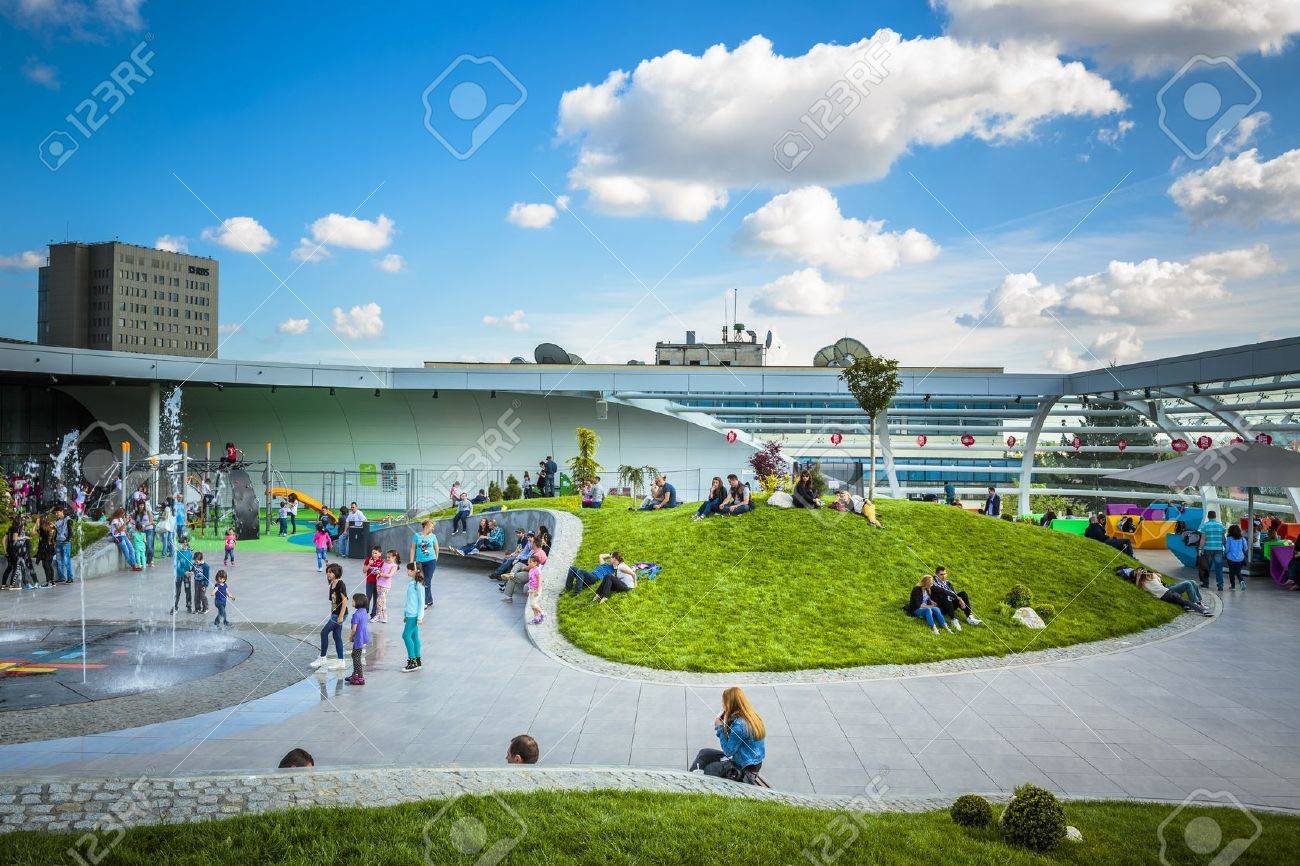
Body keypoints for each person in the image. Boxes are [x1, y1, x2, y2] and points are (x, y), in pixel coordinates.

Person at [690, 687, 766, 783]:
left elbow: (728, 751)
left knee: (711, 768)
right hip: (747, 761)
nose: (722, 704)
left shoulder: (739, 726)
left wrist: (720, 728)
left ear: (729, 703)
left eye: (724, 701)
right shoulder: (752, 716)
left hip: (745, 771)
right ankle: (691, 779)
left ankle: (695, 783)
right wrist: (726, 722)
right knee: (704, 753)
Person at [310, 563, 349, 670]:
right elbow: (333, 602)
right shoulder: (332, 584)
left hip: (340, 614)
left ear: (336, 573)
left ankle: (323, 658)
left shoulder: (340, 584)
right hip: (335, 613)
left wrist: (340, 616)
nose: (328, 574)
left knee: (324, 632)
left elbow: (345, 601)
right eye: (327, 572)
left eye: (331, 572)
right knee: (337, 637)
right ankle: (341, 662)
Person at [1134, 569, 1213, 616]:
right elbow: (1138, 587)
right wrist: (1139, 576)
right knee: (1184, 599)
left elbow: (1159, 576)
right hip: (1167, 593)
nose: (1145, 573)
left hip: (1168, 592)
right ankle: (1201, 609)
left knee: (1184, 599)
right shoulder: (1144, 584)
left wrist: (1150, 573)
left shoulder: (1152, 579)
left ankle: (1198, 605)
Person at [409, 518, 439, 608]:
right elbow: (413, 549)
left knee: (427, 580)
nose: (432, 528)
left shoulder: (433, 536)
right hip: (419, 562)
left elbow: (436, 548)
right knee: (421, 580)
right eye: (431, 527)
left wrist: (435, 559)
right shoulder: (416, 536)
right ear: (426, 526)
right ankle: (429, 600)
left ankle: (425, 602)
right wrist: (411, 561)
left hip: (431, 561)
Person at [402, 561, 426, 672]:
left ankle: (412, 661)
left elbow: (422, 602)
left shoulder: (418, 585)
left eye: (409, 570)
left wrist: (420, 617)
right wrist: (405, 614)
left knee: (406, 636)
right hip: (410, 614)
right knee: (414, 637)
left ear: (415, 571)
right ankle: (417, 660)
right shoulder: (412, 583)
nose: (407, 571)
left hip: (414, 615)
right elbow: (409, 600)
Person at [1198, 509, 1227, 590]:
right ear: (1215, 516)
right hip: (1218, 550)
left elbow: (1203, 539)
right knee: (1219, 568)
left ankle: (1206, 584)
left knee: (1206, 568)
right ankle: (1220, 586)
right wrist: (1226, 548)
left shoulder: (1205, 526)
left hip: (1208, 549)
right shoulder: (1220, 526)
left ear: (1208, 516)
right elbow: (1223, 539)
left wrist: (1200, 549)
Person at [346, 592, 371, 685]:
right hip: (363, 636)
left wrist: (351, 636)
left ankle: (360, 677)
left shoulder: (356, 614)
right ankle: (355, 674)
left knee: (356, 658)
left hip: (358, 638)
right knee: (355, 655)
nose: (352, 602)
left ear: (358, 602)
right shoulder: (364, 611)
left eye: (353, 601)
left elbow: (354, 629)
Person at [171, 539, 194, 614]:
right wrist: (184, 572)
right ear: (180, 544)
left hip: (187, 576)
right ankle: (175, 606)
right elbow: (176, 566)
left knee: (188, 591)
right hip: (179, 575)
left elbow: (191, 564)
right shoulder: (177, 553)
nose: (184, 544)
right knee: (177, 591)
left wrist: (192, 571)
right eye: (183, 543)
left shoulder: (189, 553)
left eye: (186, 543)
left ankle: (189, 606)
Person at [376, 549, 399, 623]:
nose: (387, 558)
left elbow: (389, 575)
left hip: (385, 586)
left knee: (381, 601)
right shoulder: (384, 563)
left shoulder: (394, 566)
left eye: (389, 557)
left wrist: (380, 574)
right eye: (387, 557)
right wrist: (378, 572)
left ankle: (384, 617)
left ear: (394, 557)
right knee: (379, 601)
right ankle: (379, 616)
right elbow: (381, 571)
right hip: (379, 583)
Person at [53, 506, 74, 584]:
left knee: (66, 560)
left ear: (62, 511)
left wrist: (67, 540)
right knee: (59, 560)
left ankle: (70, 578)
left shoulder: (68, 520)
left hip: (65, 543)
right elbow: (56, 531)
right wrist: (54, 540)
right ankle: (61, 577)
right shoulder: (57, 521)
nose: (56, 514)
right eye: (55, 513)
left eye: (57, 512)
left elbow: (70, 532)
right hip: (58, 542)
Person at [1225, 524, 1249, 591]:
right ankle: (1241, 581)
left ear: (1230, 531)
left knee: (1231, 572)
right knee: (1238, 571)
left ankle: (1233, 587)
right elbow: (1246, 548)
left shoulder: (1229, 539)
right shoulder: (1242, 539)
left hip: (1231, 558)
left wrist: (1225, 553)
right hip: (1240, 558)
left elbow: (1227, 549)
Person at [363, 544, 384, 616]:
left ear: (380, 554)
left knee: (376, 598)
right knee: (368, 597)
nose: (374, 554)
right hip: (369, 582)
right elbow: (364, 570)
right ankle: (365, 612)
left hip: (378, 583)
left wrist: (379, 572)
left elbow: (383, 572)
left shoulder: (382, 561)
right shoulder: (368, 559)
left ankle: (374, 614)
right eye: (372, 553)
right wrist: (369, 565)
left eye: (375, 553)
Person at [35, 516, 56, 588]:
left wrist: (37, 523)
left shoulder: (43, 528)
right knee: (49, 565)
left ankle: (48, 582)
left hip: (45, 548)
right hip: (51, 548)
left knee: (45, 565)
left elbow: (34, 532)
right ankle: (52, 582)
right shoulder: (52, 528)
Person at [526, 554, 545, 624]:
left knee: (533, 604)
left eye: (530, 562)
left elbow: (539, 581)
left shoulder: (537, 570)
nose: (529, 563)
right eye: (528, 561)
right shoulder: (531, 570)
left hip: (536, 590)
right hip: (531, 589)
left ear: (535, 562)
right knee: (532, 606)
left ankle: (543, 613)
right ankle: (536, 618)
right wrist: (529, 588)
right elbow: (531, 580)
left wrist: (537, 590)